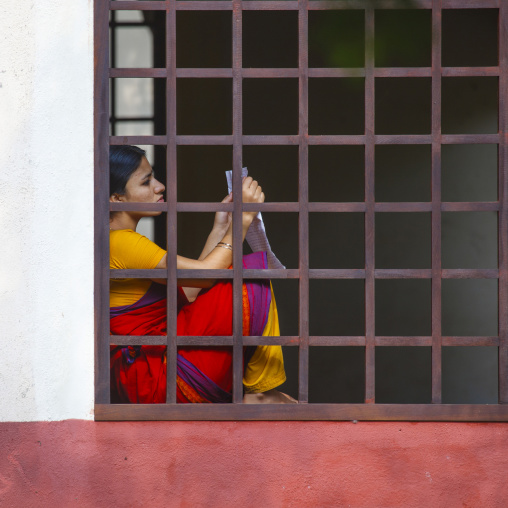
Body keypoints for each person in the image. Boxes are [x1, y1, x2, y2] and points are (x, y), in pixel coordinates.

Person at [109, 145, 295, 404]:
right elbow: (207, 276)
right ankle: (259, 391)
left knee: (234, 274)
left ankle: (258, 392)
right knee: (248, 274)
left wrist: (221, 227)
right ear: (116, 198)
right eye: (146, 181)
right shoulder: (120, 243)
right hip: (153, 376)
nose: (160, 186)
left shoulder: (121, 241)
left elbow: (189, 288)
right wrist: (241, 221)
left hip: (152, 367)